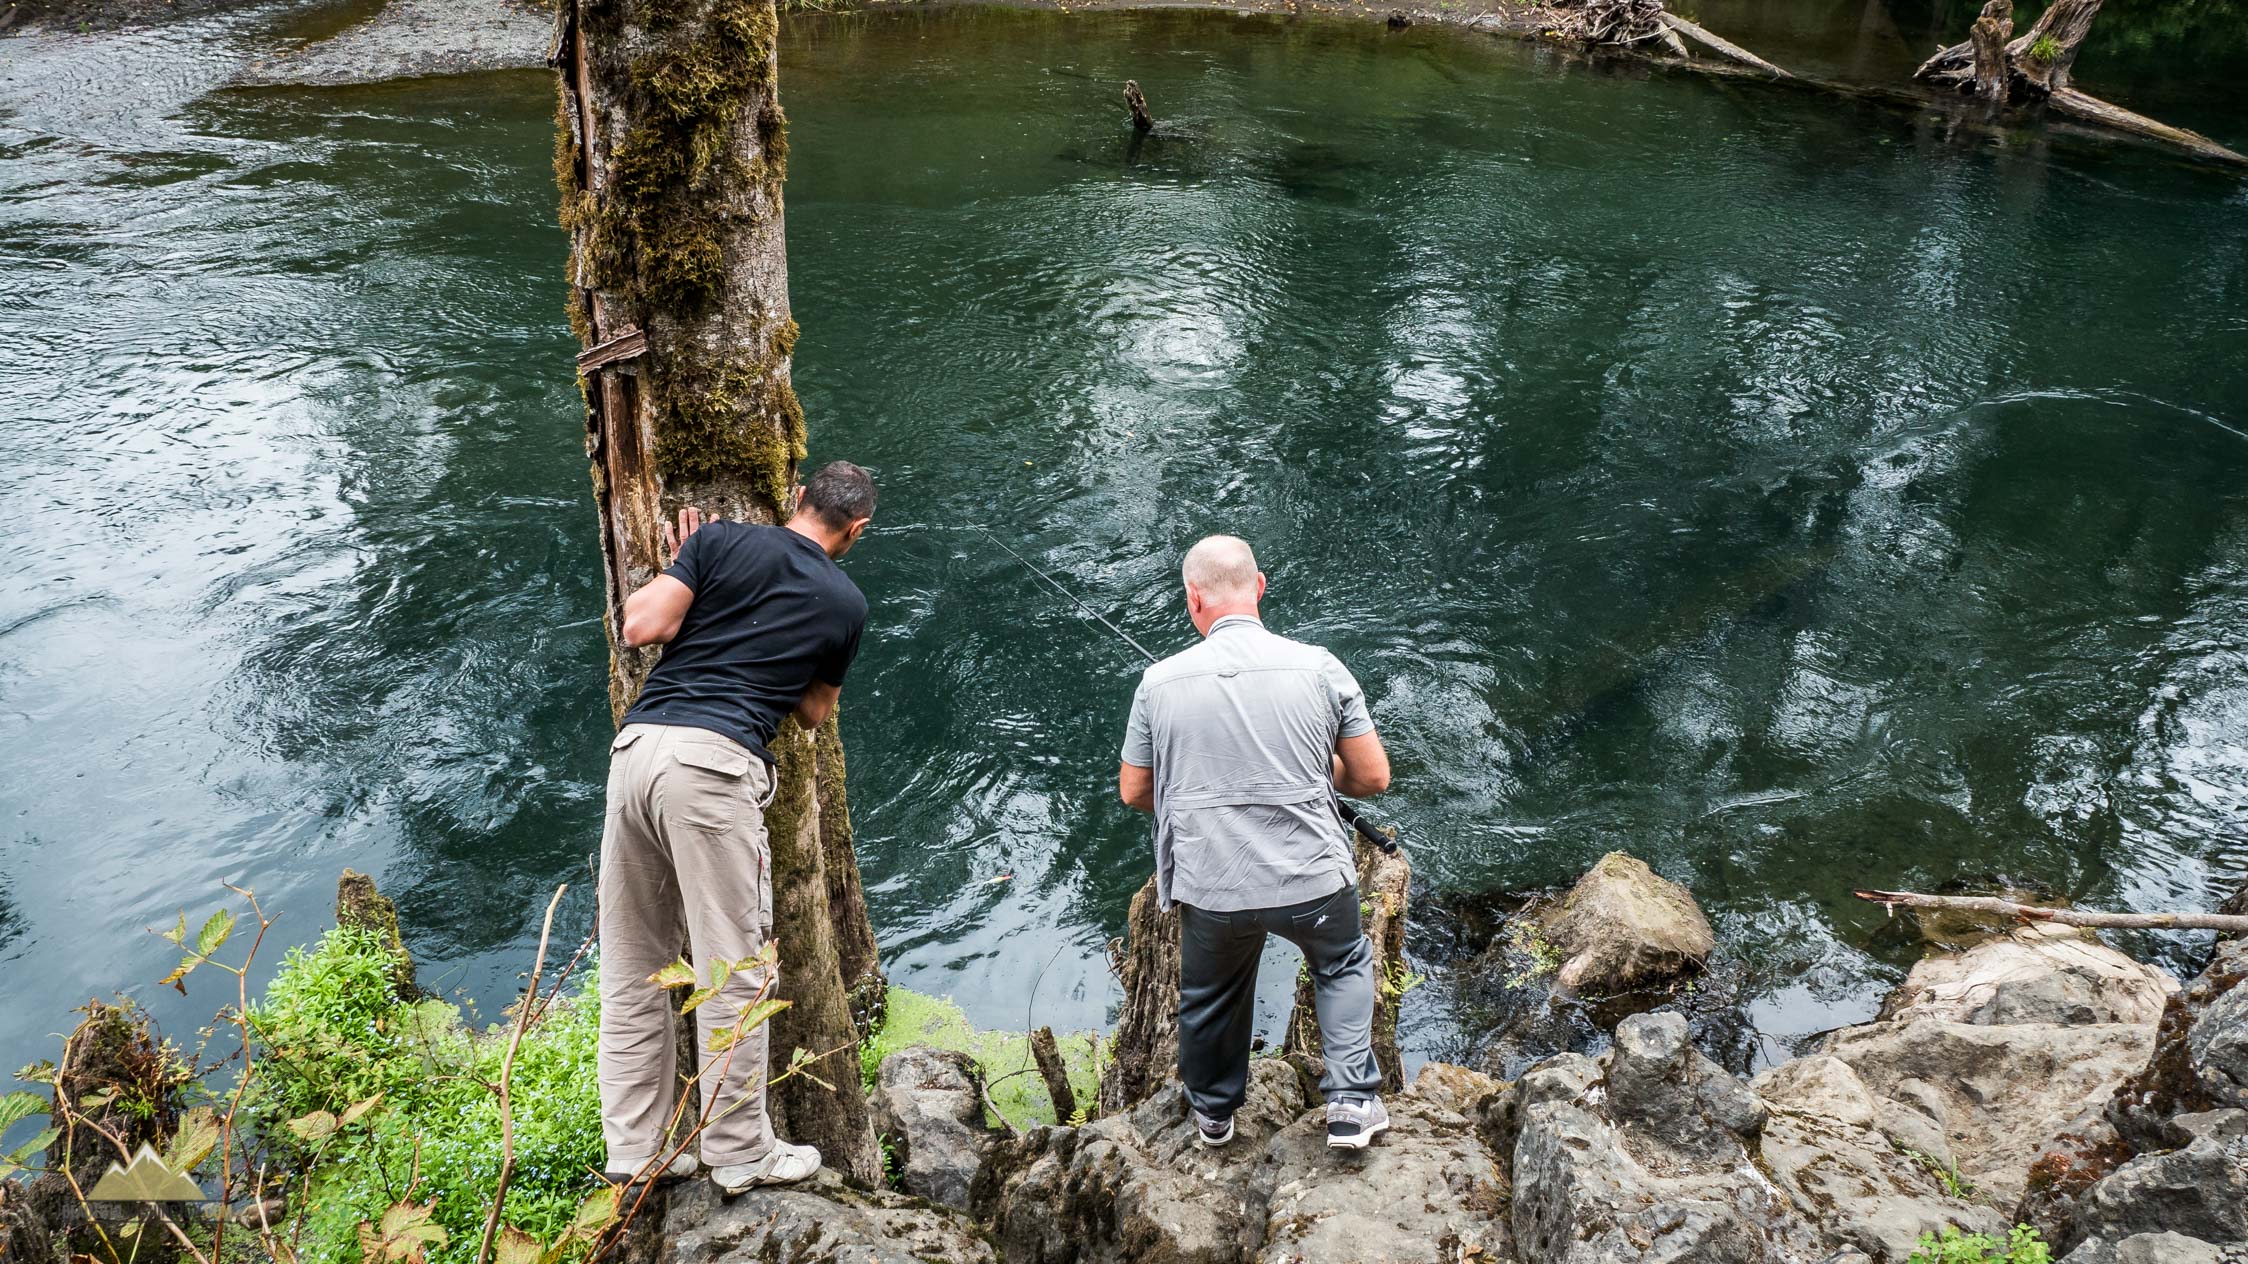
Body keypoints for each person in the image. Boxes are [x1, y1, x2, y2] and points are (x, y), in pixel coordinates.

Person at [596, 460, 876, 1195]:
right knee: (734, 970)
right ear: (856, 530)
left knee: (632, 966)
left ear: (795, 500)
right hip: (713, 770)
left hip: (637, 752)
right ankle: (739, 1154)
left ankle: (635, 1152)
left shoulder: (716, 542)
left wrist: (685, 573)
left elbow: (643, 623)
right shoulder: (846, 601)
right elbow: (813, 712)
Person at [1118, 534, 1396, 1150]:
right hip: (1313, 879)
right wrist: (1317, 773)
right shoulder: (1321, 666)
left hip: (1213, 885)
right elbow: (1373, 777)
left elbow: (1135, 790)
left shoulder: (1157, 682)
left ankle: (1214, 1116)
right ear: (1260, 587)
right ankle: (1351, 1102)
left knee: (1212, 994)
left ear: (1193, 599)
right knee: (1342, 962)